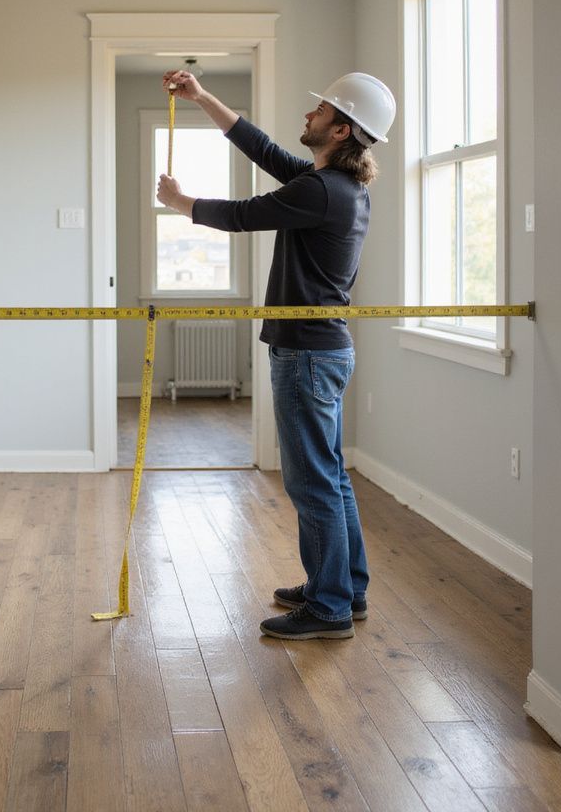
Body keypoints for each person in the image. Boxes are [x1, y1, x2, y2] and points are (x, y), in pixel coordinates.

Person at [156, 68, 395, 640]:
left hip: (307, 354)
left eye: (320, 111)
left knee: (312, 482)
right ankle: (344, 588)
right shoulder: (335, 187)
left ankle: (330, 607)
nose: (308, 114)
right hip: (323, 352)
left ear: (341, 131)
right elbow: (260, 148)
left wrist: (179, 201)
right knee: (330, 477)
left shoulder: (320, 191)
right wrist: (202, 98)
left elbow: (244, 214)